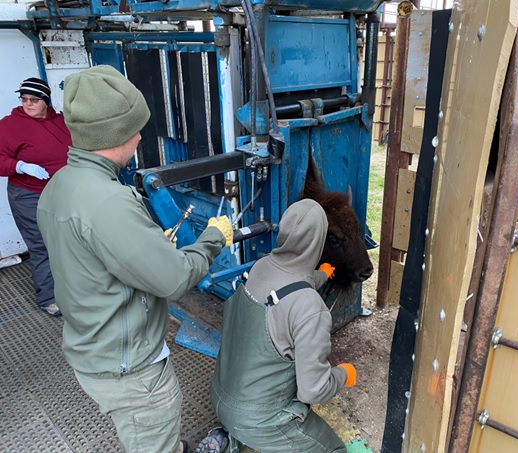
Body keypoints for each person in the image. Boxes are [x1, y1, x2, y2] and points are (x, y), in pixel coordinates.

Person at [37, 65, 234, 453]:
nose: (142, 135)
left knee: (150, 437)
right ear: (114, 135)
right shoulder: (109, 202)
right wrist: (214, 238)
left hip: (93, 349)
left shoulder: (60, 184)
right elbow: (175, 279)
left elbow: (92, 256)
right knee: (151, 435)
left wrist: (143, 245)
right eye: (135, 127)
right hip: (132, 372)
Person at [201, 199, 356, 453]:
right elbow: (313, 391)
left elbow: (290, 283)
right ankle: (247, 435)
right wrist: (342, 375)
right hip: (261, 420)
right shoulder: (310, 308)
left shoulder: (261, 267)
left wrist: (322, 275)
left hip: (220, 397)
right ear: (318, 242)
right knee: (334, 450)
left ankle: (227, 438)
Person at [0, 77, 71, 316]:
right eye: (24, 99)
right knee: (42, 244)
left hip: (62, 190)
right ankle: (48, 298)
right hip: (29, 195)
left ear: (46, 101)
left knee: (70, 240)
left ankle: (74, 286)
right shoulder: (9, 125)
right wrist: (20, 166)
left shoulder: (61, 121)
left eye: (34, 100)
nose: (28, 104)